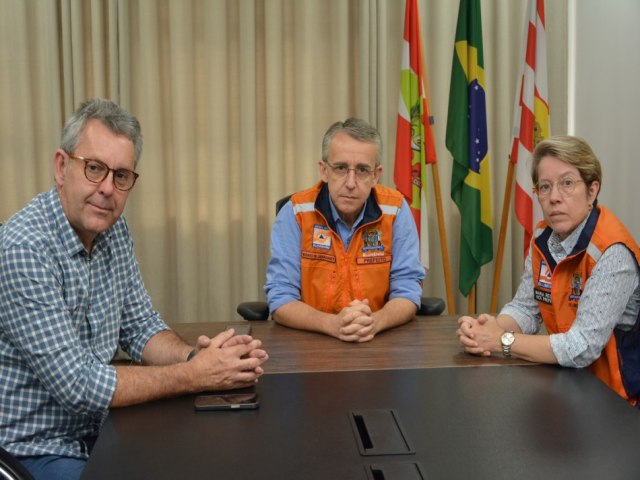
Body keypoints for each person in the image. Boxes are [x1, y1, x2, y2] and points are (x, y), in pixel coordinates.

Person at [0, 98, 269, 479]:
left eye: (121, 176)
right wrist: (193, 376)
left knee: (206, 460)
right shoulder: (24, 249)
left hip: (100, 429)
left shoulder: (113, 230)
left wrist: (198, 357)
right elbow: (78, 385)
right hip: (33, 449)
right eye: (94, 169)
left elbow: (141, 327)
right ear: (62, 167)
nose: (107, 189)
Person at [457, 135, 640, 405]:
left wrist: (501, 341)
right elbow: (525, 309)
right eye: (545, 186)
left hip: (613, 401)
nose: (554, 197)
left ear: (592, 190)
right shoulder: (544, 236)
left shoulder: (612, 252)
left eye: (567, 183)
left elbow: (582, 347)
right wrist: (487, 328)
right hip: (566, 386)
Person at [264, 118, 425, 342]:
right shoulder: (296, 212)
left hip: (377, 341)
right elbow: (281, 298)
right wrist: (332, 324)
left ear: (375, 175)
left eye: (361, 170)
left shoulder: (395, 210)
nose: (350, 182)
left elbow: (407, 289)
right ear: (324, 170)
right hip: (310, 343)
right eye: (340, 168)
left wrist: (375, 322)